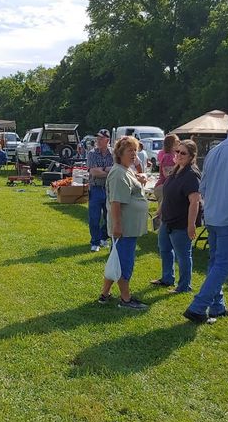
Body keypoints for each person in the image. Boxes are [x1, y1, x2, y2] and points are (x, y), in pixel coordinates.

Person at [182, 114, 228, 324]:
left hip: (213, 214)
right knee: (223, 264)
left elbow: (203, 184)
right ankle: (198, 306)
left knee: (215, 262)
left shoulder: (215, 150)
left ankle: (217, 306)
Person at [97, 136, 150, 310]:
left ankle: (104, 294)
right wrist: (118, 226)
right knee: (124, 263)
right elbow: (116, 203)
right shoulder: (119, 173)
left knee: (116, 260)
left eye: (135, 150)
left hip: (127, 228)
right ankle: (126, 300)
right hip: (124, 229)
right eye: (130, 150)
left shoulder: (125, 170)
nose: (134, 154)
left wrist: (139, 180)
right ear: (120, 153)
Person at [152, 139, 202, 293]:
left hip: (181, 222)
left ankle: (184, 285)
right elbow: (167, 194)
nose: (179, 155)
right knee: (164, 249)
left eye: (183, 153)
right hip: (167, 219)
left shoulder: (192, 175)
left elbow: (195, 202)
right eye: (177, 151)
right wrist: (160, 210)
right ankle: (167, 278)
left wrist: (191, 225)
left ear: (191, 156)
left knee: (183, 255)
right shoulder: (176, 170)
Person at [86, 129, 113, 252]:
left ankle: (103, 237)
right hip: (96, 188)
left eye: (101, 138)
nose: (98, 140)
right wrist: (107, 170)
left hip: (109, 189)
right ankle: (95, 242)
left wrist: (102, 170)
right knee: (94, 217)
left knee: (109, 216)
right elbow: (94, 172)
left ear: (107, 140)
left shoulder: (113, 153)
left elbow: (116, 169)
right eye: (97, 138)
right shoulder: (92, 153)